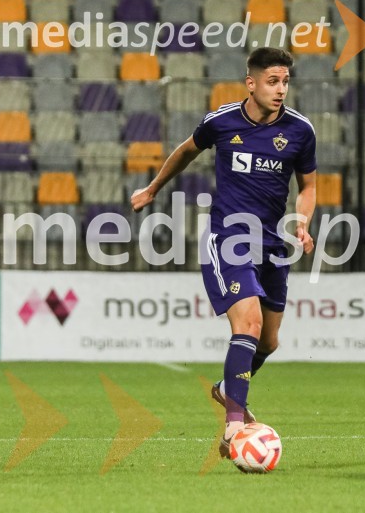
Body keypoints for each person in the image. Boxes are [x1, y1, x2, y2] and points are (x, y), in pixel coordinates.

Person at [131, 47, 316, 451]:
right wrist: (153, 188)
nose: (281, 89)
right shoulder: (222, 121)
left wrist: (302, 223)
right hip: (229, 238)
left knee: (268, 342)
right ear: (251, 83)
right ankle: (235, 426)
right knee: (247, 324)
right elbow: (184, 152)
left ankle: (224, 388)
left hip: (273, 244)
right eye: (272, 81)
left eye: (285, 81)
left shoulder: (300, 131)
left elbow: (309, 186)